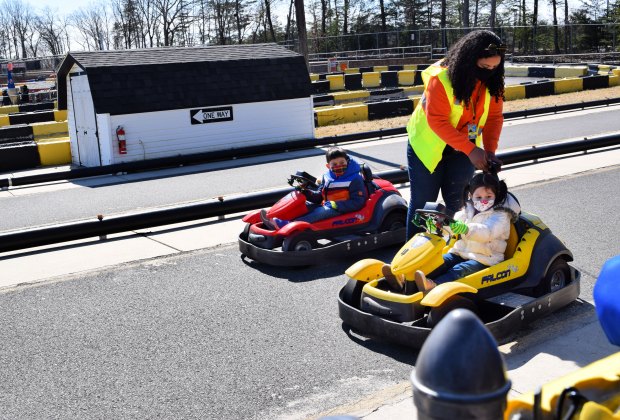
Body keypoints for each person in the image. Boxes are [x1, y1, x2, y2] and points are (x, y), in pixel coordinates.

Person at [405, 30, 507, 239]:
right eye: (485, 66)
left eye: (495, 67)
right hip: (427, 147)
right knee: (423, 206)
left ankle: (451, 254)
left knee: (459, 205)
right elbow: (438, 121)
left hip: (463, 149)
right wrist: (472, 150)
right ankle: (412, 260)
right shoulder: (441, 79)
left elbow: (494, 118)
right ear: (470, 60)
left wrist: (489, 152)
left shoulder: (493, 82)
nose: (490, 71)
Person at [412, 171, 520, 292]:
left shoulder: (501, 215)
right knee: (441, 260)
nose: (483, 200)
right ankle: (408, 279)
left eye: (488, 196)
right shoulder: (468, 209)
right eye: (478, 197)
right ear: (471, 196)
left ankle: (434, 285)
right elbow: (454, 225)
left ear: (496, 195)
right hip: (461, 252)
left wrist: (467, 229)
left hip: (486, 258)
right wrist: (438, 224)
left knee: (460, 269)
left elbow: (487, 233)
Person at [261, 146, 368, 229]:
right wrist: (306, 193)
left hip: (341, 209)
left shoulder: (355, 179)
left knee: (319, 212)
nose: (338, 166)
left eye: (342, 163)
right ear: (328, 166)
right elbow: (319, 196)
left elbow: (358, 202)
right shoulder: (327, 177)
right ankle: (278, 218)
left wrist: (335, 204)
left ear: (347, 162)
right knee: (304, 205)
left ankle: (288, 225)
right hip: (326, 204)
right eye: (334, 164)